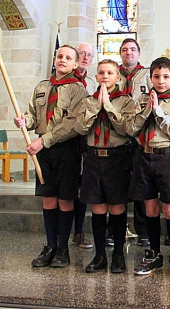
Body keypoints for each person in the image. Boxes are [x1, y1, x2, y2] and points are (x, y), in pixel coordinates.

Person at [14, 45, 87, 268]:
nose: (62, 60)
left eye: (68, 58)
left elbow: (72, 124)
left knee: (65, 198)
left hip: (66, 149)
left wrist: (42, 141)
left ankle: (63, 248)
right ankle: (50, 246)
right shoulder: (42, 87)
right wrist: (24, 121)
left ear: (75, 64)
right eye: (59, 56)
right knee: (48, 198)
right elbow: (34, 116)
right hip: (44, 151)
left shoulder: (77, 89)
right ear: (54, 59)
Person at [126, 57, 170, 278]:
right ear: (150, 78)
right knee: (150, 208)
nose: (161, 81)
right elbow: (131, 129)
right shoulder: (141, 100)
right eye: (156, 77)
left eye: (165, 77)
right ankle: (153, 253)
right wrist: (147, 109)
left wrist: (159, 112)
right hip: (144, 157)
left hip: (166, 158)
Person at [74, 59, 135, 273]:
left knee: (117, 207)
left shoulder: (126, 101)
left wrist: (108, 106)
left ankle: (118, 254)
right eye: (101, 73)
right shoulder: (88, 101)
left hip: (116, 158)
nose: (105, 76)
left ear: (118, 77)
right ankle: (100, 255)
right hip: (93, 158)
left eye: (110, 73)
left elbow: (127, 128)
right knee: (98, 207)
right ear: (96, 77)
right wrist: (96, 108)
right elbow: (81, 128)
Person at [118, 38, 152, 247]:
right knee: (118, 183)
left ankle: (143, 229)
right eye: (124, 50)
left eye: (132, 49)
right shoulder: (114, 73)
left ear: (139, 53)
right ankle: (117, 228)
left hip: (139, 133)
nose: (128, 53)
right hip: (119, 132)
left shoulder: (147, 74)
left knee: (141, 182)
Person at [69, 42, 96, 251]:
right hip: (66, 139)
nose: (85, 57)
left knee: (82, 185)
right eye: (81, 54)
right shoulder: (65, 82)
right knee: (67, 187)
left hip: (85, 140)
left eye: (89, 55)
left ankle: (78, 231)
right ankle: (62, 234)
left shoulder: (91, 84)